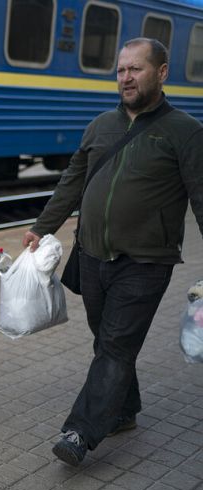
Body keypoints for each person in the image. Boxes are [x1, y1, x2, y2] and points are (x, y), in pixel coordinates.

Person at [23, 38, 203, 466]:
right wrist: (41, 229)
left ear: (161, 73)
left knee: (117, 345)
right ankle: (124, 408)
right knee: (107, 340)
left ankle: (81, 431)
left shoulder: (185, 132)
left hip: (146, 261)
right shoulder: (100, 125)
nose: (126, 78)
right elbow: (71, 182)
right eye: (121, 70)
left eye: (136, 69)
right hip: (91, 256)